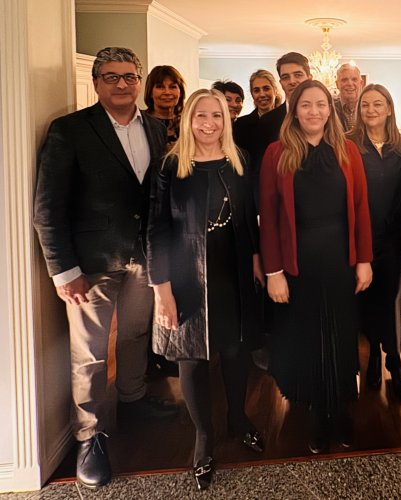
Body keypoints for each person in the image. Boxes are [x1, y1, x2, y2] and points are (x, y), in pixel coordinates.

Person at [33, 46, 177, 489]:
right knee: (90, 354)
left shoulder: (156, 128)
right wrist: (63, 270)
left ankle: (133, 397)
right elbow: (47, 207)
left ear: (139, 82)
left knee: (134, 335)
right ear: (96, 83)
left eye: (129, 76)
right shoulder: (70, 130)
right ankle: (89, 436)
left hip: (143, 259)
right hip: (90, 265)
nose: (121, 84)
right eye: (111, 76)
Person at [147, 88, 265, 490]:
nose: (209, 123)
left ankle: (238, 418)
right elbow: (156, 230)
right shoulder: (169, 166)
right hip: (186, 274)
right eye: (201, 115)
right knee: (192, 357)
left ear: (226, 120)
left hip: (233, 268)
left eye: (217, 115)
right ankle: (203, 437)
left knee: (234, 349)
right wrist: (161, 288)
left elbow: (248, 217)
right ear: (188, 120)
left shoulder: (239, 160)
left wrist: (257, 259)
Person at [259, 80, 373, 455]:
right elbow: (269, 217)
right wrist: (273, 272)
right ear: (294, 110)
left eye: (321, 104)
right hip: (297, 263)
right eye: (306, 104)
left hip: (340, 259)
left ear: (330, 109)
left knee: (341, 335)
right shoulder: (277, 153)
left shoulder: (348, 150)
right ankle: (316, 412)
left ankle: (340, 408)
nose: (314, 111)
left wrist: (364, 260)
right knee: (307, 336)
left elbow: (361, 208)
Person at [347, 84, 401, 402]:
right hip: (360, 237)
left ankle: (395, 362)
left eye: (378, 104)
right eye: (365, 105)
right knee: (366, 297)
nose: (371, 110)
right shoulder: (348, 145)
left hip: (394, 238)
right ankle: (372, 353)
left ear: (389, 108)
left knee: (391, 298)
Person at [233, 69, 283, 206]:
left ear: (275, 90)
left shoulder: (287, 121)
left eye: (266, 88)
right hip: (252, 192)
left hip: (283, 187)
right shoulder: (240, 125)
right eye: (256, 90)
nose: (262, 94)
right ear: (252, 94)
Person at [257, 52, 312, 160]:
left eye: (298, 75)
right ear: (281, 83)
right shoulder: (266, 121)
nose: (292, 81)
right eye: (286, 77)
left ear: (309, 79)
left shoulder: (323, 116)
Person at [144, 65, 186, 148]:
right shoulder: (141, 121)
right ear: (150, 92)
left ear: (180, 92)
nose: (167, 92)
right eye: (160, 87)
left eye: (172, 87)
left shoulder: (188, 122)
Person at [334, 63, 364, 131]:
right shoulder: (330, 110)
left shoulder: (368, 108)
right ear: (337, 84)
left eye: (354, 79)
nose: (350, 84)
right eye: (344, 80)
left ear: (361, 83)